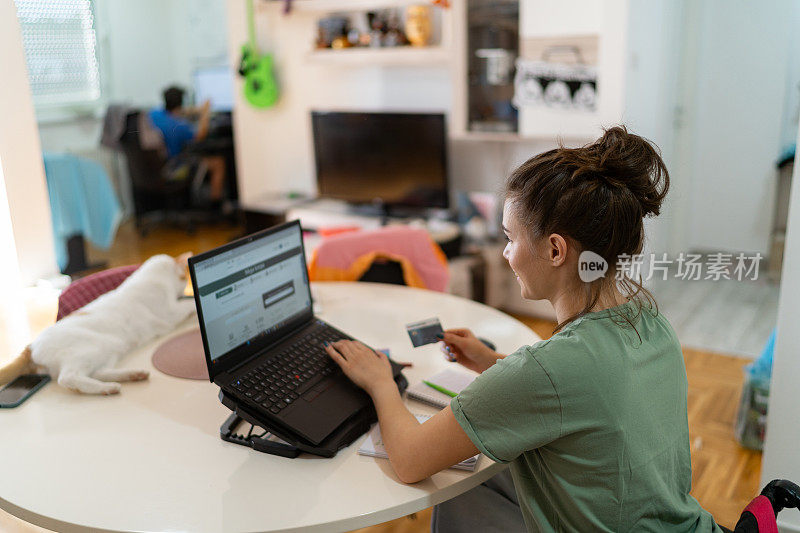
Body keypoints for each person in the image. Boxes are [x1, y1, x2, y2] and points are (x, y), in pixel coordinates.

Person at [322, 126, 727, 531]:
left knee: (465, 469)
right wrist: (493, 362)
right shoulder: (650, 321)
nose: (505, 252)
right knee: (481, 478)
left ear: (555, 250)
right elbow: (588, 389)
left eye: (510, 237)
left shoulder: (549, 369)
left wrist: (380, 383)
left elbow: (410, 460)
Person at [148, 86, 227, 204]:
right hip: (175, 166)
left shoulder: (154, 114)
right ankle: (216, 205)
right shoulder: (179, 126)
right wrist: (205, 113)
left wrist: (196, 110)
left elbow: (177, 112)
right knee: (218, 163)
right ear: (182, 103)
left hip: (157, 167)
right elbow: (201, 135)